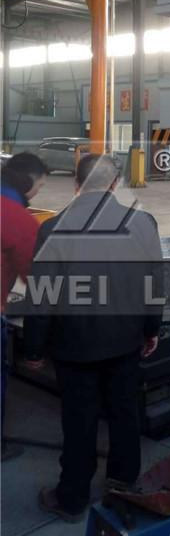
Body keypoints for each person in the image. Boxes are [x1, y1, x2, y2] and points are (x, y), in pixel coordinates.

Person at [24, 153, 164, 523]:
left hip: (75, 347)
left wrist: (33, 348)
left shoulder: (54, 228)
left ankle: (72, 499)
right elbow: (155, 283)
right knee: (125, 413)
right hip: (125, 341)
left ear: (76, 184)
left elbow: (41, 296)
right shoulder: (143, 222)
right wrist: (152, 329)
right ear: (115, 184)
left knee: (79, 421)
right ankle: (123, 484)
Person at [1, 152, 48, 462]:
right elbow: (38, 280)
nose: (38, 193)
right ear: (28, 182)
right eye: (40, 186)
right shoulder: (18, 218)